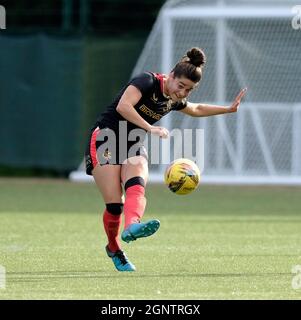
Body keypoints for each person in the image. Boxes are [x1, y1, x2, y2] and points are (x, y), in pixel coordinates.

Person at [85, 47, 247, 272]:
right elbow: (124, 106)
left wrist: (228, 109)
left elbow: (196, 108)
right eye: (180, 86)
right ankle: (114, 248)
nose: (182, 93)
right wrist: (150, 128)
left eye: (188, 90)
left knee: (136, 186)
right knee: (114, 206)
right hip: (106, 138)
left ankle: (132, 226)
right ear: (170, 76)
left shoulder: (173, 98)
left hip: (133, 143)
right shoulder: (147, 81)